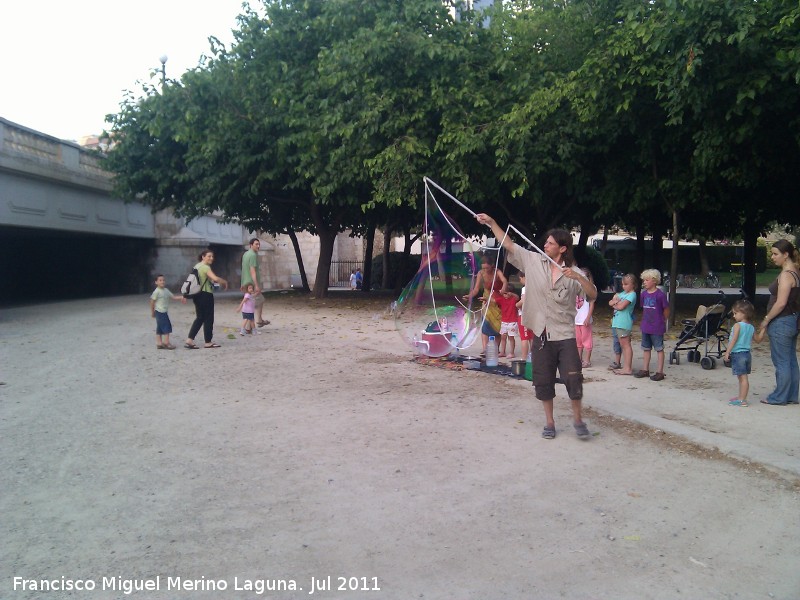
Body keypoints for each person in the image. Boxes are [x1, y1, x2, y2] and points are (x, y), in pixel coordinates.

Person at [476, 213, 598, 440]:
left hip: (565, 334)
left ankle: (578, 420)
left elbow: (592, 294)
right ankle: (549, 423)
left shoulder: (574, 273)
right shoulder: (533, 261)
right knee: (543, 380)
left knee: (573, 378)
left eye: (551, 243)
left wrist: (579, 278)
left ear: (562, 249)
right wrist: (492, 223)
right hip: (541, 334)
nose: (545, 245)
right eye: (546, 242)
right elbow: (509, 244)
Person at [755, 239, 800, 405]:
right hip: (792, 319)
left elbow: (781, 303)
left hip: (781, 322)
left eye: (775, 254)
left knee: (781, 360)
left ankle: (779, 396)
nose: (773, 257)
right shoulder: (796, 272)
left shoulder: (786, 275)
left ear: (786, 255)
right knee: (790, 360)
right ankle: (791, 395)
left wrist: (766, 320)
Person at [464, 253, 508, 354]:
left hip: (498, 300)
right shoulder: (480, 273)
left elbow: (504, 281)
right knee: (485, 325)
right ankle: (484, 349)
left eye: (487, 268)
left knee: (498, 326)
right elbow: (476, 289)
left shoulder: (497, 272)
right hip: (486, 300)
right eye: (483, 268)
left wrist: (503, 288)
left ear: (492, 265)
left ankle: (495, 348)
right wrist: (469, 296)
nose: (485, 270)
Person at [185, 249, 228, 349]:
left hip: (197, 294)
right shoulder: (205, 267)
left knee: (200, 317)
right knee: (209, 318)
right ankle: (208, 342)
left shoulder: (196, 266)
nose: (211, 258)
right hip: (205, 294)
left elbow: (207, 279)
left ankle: (190, 339)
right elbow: (216, 278)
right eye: (209, 256)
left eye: (212, 256)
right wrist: (224, 281)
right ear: (203, 257)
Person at [635, 269, 670, 381]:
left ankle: (660, 371)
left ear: (654, 281)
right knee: (646, 348)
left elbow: (666, 309)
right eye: (643, 280)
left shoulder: (660, 295)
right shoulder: (644, 294)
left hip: (657, 326)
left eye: (647, 280)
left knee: (659, 348)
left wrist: (662, 320)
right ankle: (645, 369)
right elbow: (643, 309)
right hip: (646, 325)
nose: (644, 282)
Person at [724, 299, 756, 407]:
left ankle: (742, 400)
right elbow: (758, 339)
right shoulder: (751, 327)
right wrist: (764, 329)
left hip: (738, 354)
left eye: (735, 313)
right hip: (747, 354)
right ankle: (741, 397)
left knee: (742, 378)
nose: (734, 316)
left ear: (743, 313)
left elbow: (734, 339)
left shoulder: (737, 326)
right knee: (742, 377)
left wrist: (727, 352)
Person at [609, 273, 637, 375]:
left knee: (626, 345)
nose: (624, 286)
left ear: (633, 284)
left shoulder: (631, 295)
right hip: (617, 322)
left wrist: (615, 303)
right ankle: (626, 366)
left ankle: (627, 368)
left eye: (626, 284)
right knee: (622, 345)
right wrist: (616, 302)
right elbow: (610, 302)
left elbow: (620, 307)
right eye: (623, 284)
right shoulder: (623, 294)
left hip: (623, 323)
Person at [150, 274, 186, 349]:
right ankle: (166, 342)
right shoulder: (156, 292)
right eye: (160, 280)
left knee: (160, 327)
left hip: (163, 311)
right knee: (167, 326)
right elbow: (152, 302)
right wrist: (152, 312)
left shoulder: (166, 290)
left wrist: (181, 297)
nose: (162, 282)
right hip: (159, 312)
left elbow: (173, 297)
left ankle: (159, 343)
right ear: (156, 282)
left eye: (163, 280)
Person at [241, 238, 269, 328]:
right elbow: (252, 271)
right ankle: (250, 326)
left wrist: (242, 283)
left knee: (257, 301)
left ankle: (258, 321)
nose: (258, 246)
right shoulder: (252, 255)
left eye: (258, 244)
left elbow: (243, 270)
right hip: (251, 284)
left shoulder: (245, 254)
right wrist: (256, 285)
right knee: (254, 303)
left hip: (246, 282)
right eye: (256, 244)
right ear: (251, 245)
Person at [574, 267, 595, 368]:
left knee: (586, 340)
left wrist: (588, 317)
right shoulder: (576, 287)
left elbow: (591, 304)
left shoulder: (591, 288)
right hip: (576, 319)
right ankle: (578, 359)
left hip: (584, 319)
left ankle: (587, 360)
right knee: (578, 341)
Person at [495, 284, 520, 358]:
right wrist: (486, 299)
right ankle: (502, 352)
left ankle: (512, 352)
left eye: (506, 293)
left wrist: (511, 293)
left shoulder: (513, 299)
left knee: (511, 337)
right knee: (503, 337)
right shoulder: (501, 299)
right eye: (504, 293)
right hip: (504, 321)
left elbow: (517, 297)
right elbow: (493, 300)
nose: (505, 295)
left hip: (512, 322)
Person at [516, 272, 533, 360]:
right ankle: (534, 356)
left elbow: (523, 301)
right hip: (533, 315)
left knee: (524, 337)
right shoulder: (535, 287)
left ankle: (524, 358)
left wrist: (516, 305)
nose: (520, 281)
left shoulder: (525, 288)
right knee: (532, 337)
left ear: (523, 277)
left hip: (524, 315)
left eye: (520, 279)